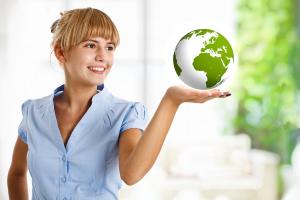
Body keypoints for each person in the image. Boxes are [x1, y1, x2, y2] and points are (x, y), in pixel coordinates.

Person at [7, 7, 231, 200]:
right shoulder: (33, 113)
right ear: (61, 52)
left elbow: (131, 174)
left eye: (110, 47)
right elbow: (17, 173)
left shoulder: (125, 114)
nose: (103, 56)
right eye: (91, 45)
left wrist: (172, 100)